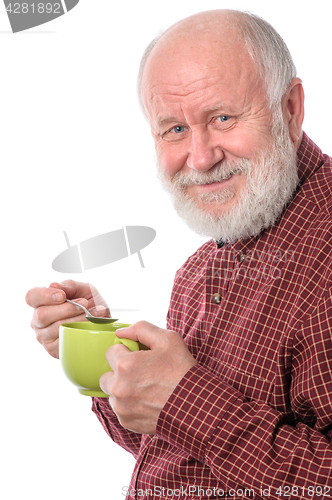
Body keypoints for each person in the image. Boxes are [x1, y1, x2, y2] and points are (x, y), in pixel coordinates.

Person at [26, 9, 332, 499]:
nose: (201, 156)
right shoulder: (199, 271)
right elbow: (181, 458)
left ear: (291, 108)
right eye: (174, 130)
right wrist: (109, 362)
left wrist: (186, 400)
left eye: (223, 118)